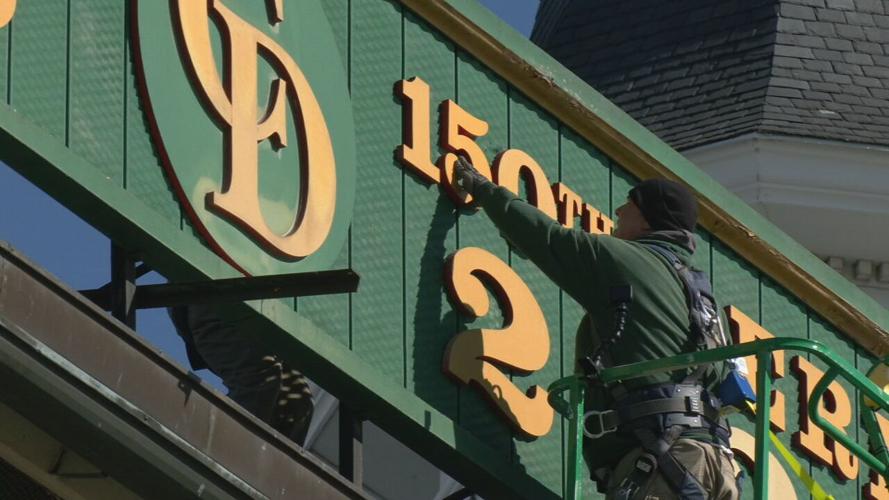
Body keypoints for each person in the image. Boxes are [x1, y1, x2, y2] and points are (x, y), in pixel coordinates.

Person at [454, 157, 738, 499]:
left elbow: (546, 238)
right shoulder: (703, 298)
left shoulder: (621, 260)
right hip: (716, 465)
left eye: (629, 206)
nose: (618, 211)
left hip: (665, 461)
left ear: (648, 219)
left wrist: (484, 189)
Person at [169, 304, 314, 446]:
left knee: (299, 404)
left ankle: (256, 461)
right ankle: (222, 452)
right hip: (217, 299)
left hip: (258, 308)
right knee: (258, 381)